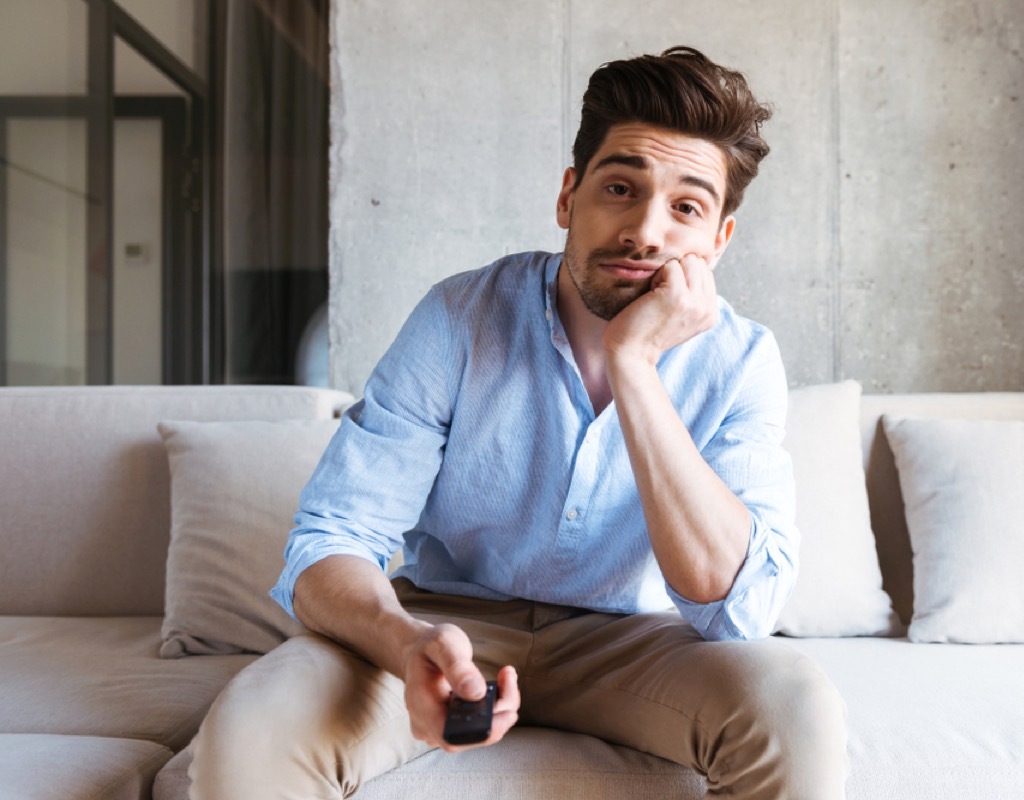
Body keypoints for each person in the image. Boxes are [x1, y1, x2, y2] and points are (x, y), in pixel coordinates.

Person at [189, 46, 848, 799]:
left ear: (719, 241)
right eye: (621, 188)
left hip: (635, 645)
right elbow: (328, 544)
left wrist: (635, 366)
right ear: (569, 197)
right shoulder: (457, 316)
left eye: (686, 207)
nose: (646, 231)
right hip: (447, 622)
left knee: (795, 711)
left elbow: (736, 605)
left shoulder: (743, 359)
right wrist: (408, 644)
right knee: (256, 727)